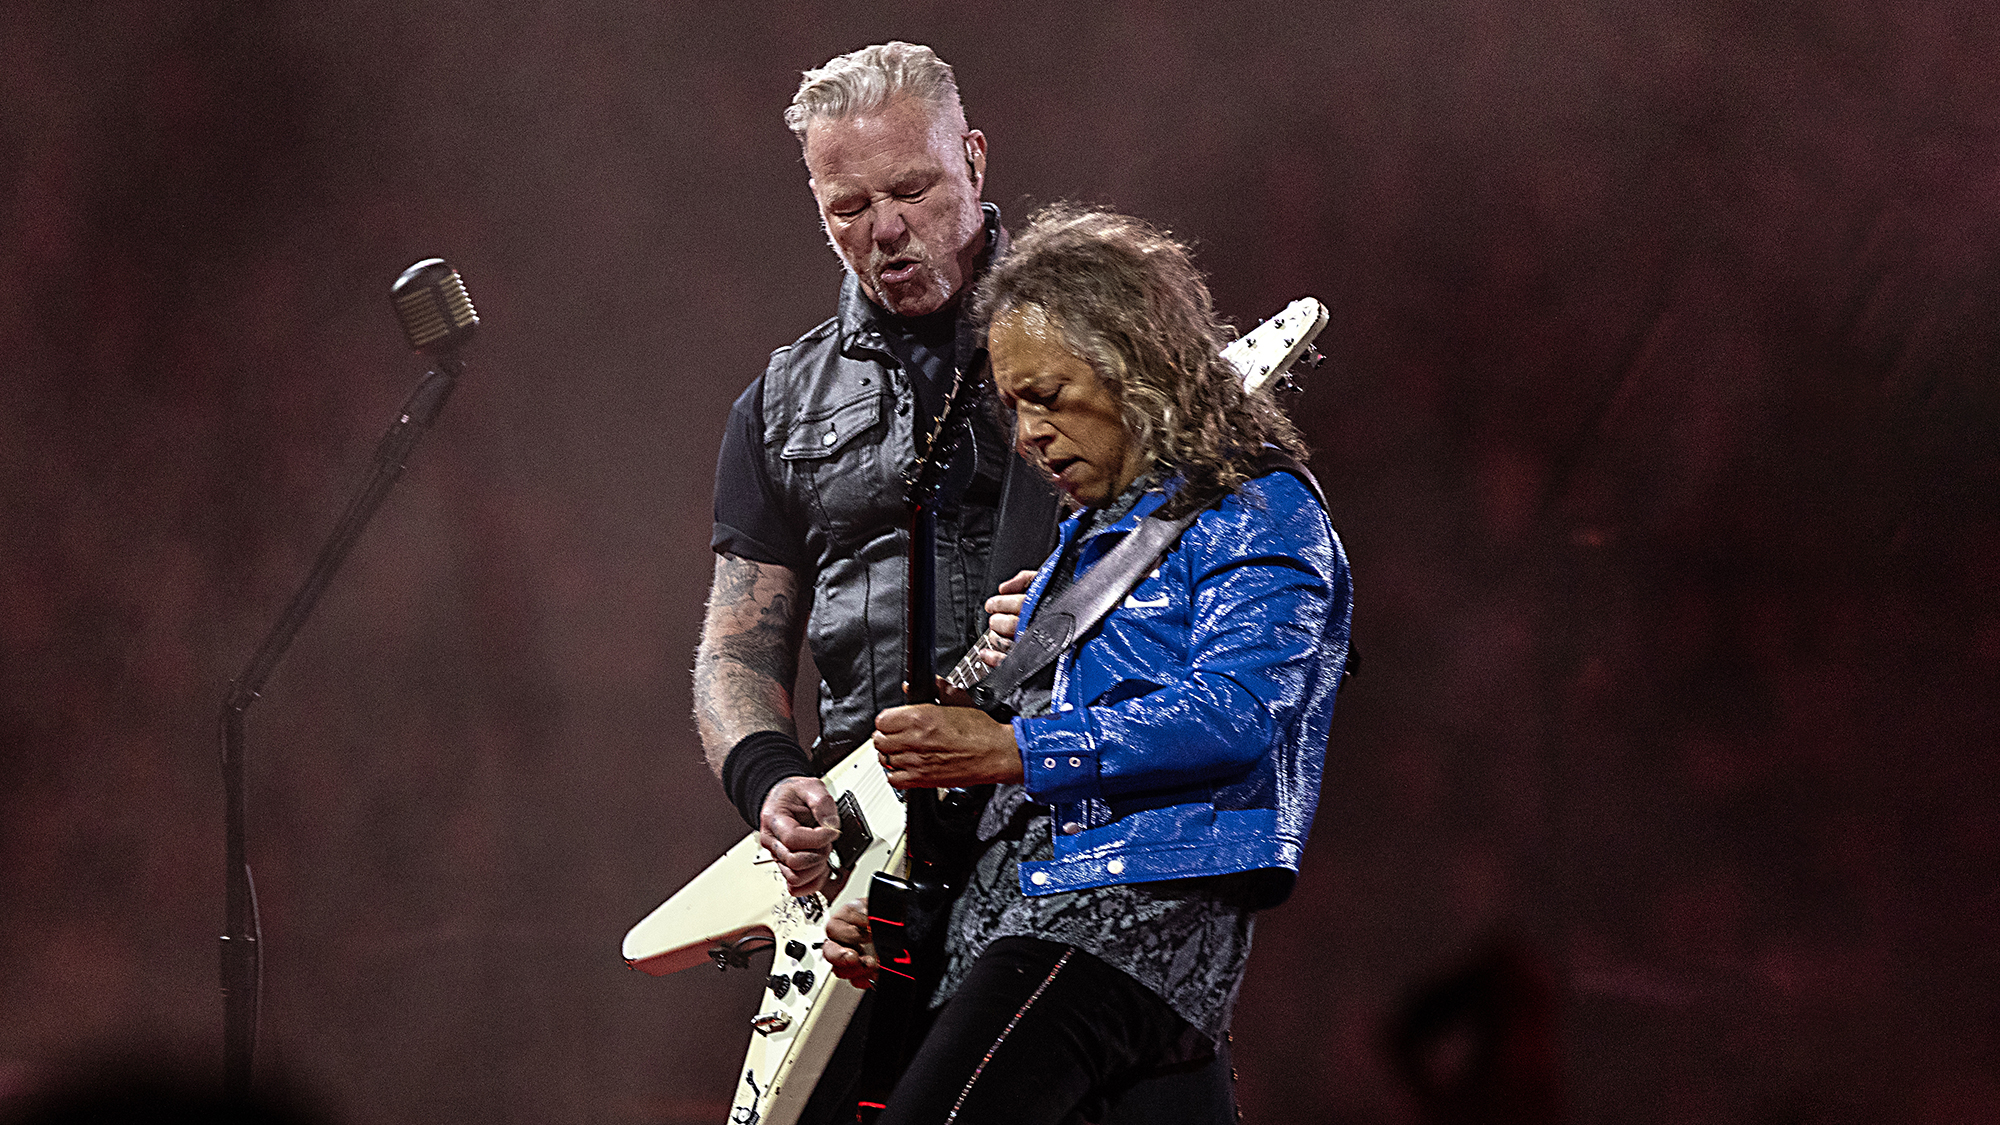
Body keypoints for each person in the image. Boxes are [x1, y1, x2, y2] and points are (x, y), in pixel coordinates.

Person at [821, 204, 1353, 1125]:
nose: (1029, 437)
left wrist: (1014, 746)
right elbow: (1007, 805)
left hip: (1113, 924)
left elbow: (1236, 711)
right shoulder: (1088, 545)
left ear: (1137, 369)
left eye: (1049, 395)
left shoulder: (1260, 507)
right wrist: (908, 915)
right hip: (1024, 930)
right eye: (1013, 404)